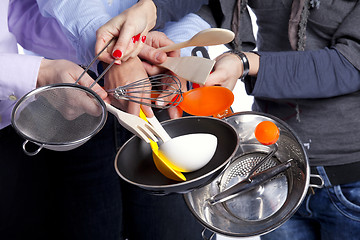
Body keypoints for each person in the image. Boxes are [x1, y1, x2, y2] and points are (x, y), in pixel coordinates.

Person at [5, 0, 212, 239]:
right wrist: (117, 52)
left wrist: (171, 50)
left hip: (162, 82)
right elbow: (24, 18)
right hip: (68, 96)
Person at [195, 0, 360, 239]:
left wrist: (246, 62)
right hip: (274, 168)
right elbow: (210, 6)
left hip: (350, 178)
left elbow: (351, 63)